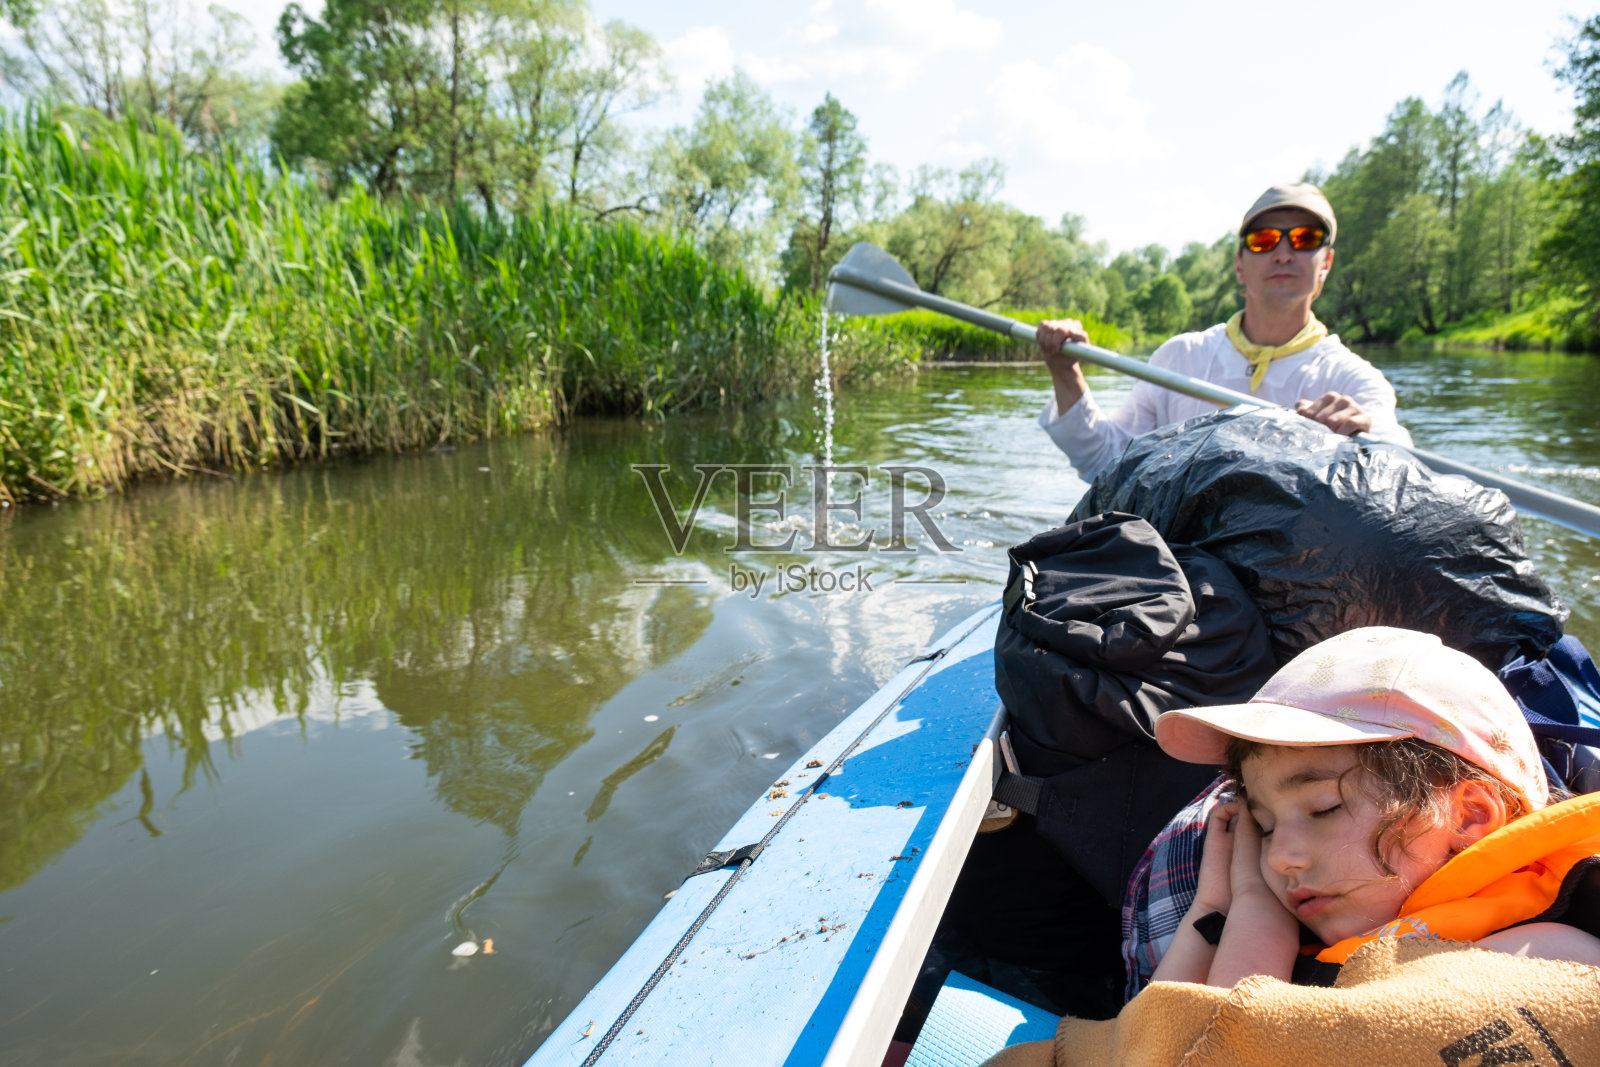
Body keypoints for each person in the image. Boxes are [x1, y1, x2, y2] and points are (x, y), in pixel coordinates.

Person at [981, 626, 1600, 1067]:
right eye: (1265, 823)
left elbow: (1215, 1049)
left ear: (1471, 815)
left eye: (1324, 808)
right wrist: (1239, 903)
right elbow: (1165, 1026)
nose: (1279, 857)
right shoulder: (1345, 924)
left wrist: (1253, 909)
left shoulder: (1549, 956)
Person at [1034, 184, 1413, 480]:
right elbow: (1105, 463)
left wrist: (1363, 445)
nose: (1282, 253)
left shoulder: (1355, 382)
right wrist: (1065, 372)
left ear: (1326, 262)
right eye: (1264, 240)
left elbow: (1398, 471)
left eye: (1304, 239)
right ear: (1239, 265)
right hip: (1179, 564)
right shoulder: (1179, 358)